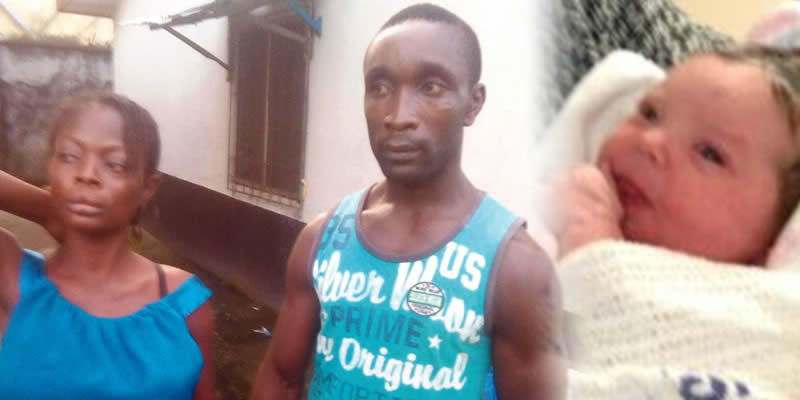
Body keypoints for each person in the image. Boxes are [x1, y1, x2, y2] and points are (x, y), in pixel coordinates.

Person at [249, 3, 565, 400]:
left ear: (473, 103)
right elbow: (280, 377)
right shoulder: (323, 241)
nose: (398, 116)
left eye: (431, 87)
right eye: (380, 88)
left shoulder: (516, 268)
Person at [0, 91, 215, 399]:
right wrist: (47, 210)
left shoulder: (183, 303)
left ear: (147, 187)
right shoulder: (11, 277)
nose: (87, 175)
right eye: (69, 157)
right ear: (50, 167)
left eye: (115, 164)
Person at [559, 46, 800, 265]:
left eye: (709, 153)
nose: (649, 141)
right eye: (650, 114)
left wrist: (591, 245)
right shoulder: (564, 199)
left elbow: (609, 298)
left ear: (773, 240)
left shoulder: (745, 295)